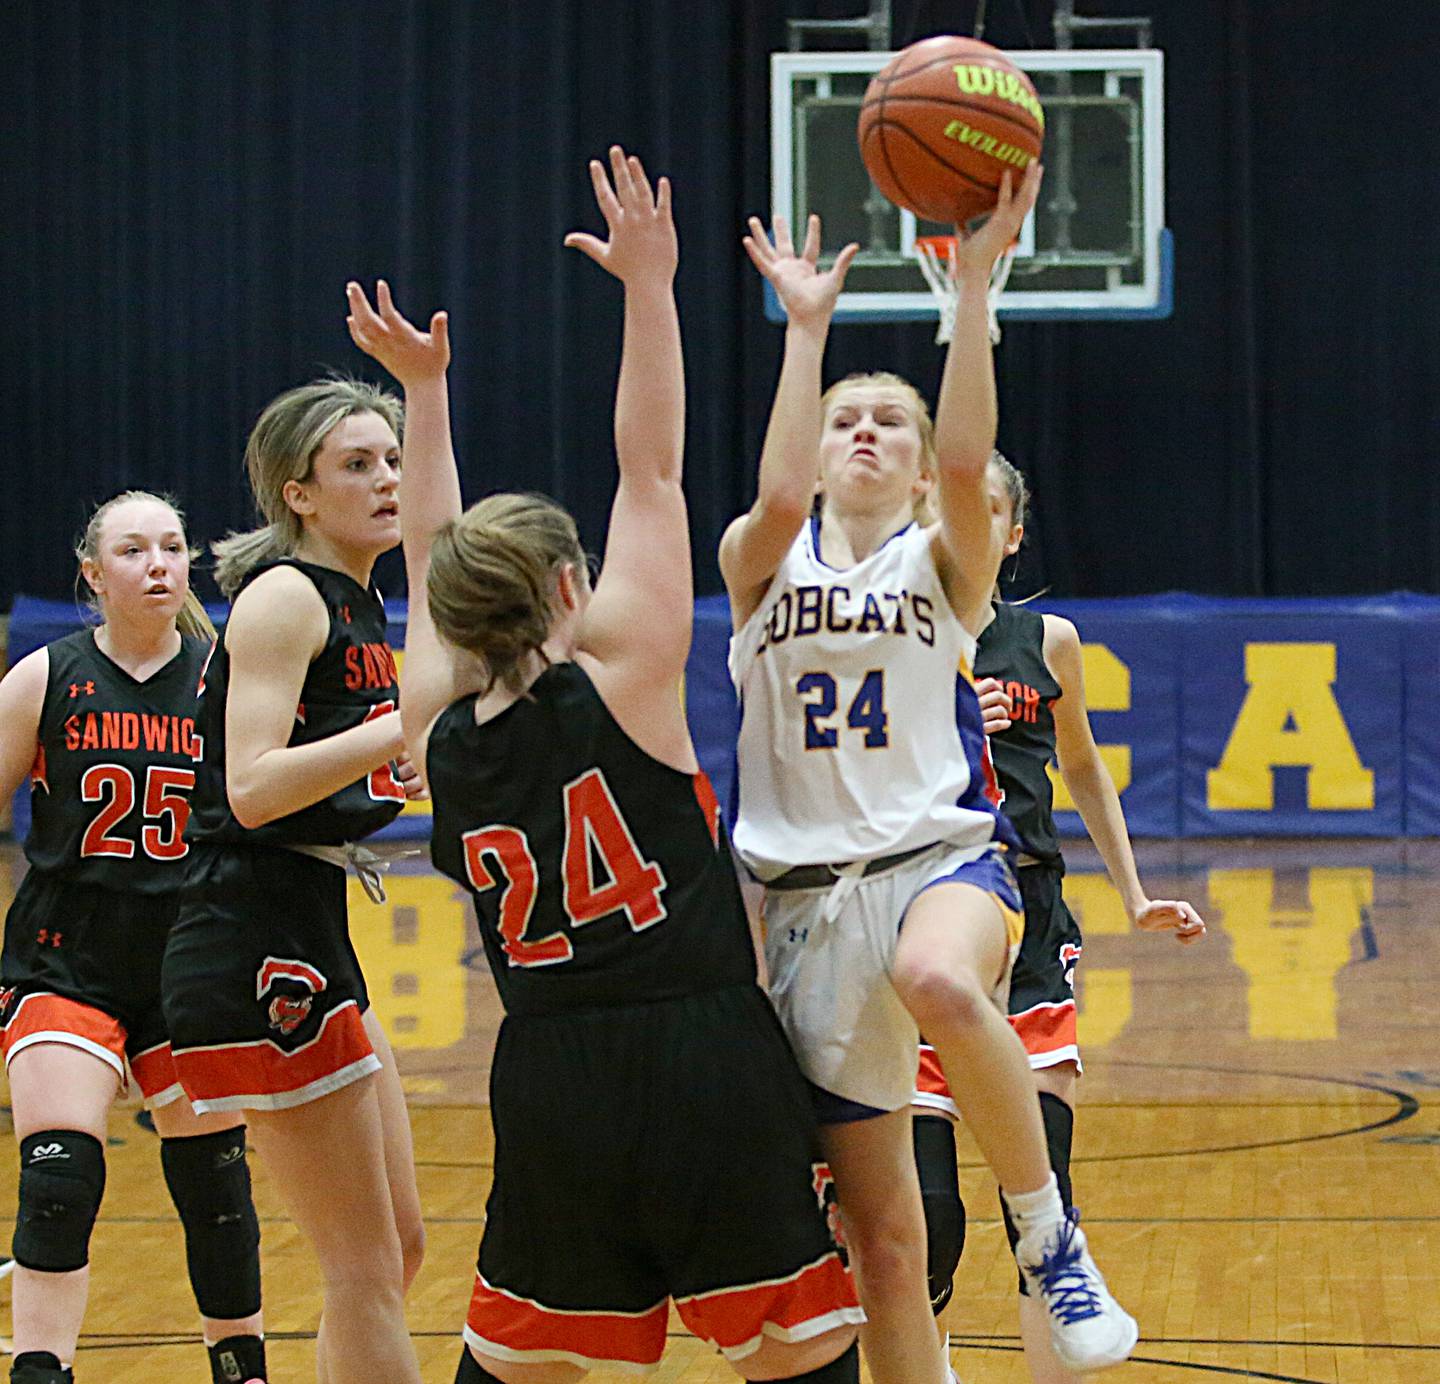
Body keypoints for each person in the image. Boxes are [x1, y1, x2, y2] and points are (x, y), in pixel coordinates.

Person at [351, 146, 864, 1384]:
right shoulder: (629, 669)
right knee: (797, 1349)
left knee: (525, 1358)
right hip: (704, 1054)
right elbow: (654, 466)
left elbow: (426, 547)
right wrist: (651, 285)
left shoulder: (431, 721)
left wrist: (427, 394)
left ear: (454, 617)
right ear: (573, 586)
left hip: (550, 1069)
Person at [723, 165, 1137, 1383]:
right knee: (886, 1246)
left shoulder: (943, 568)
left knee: (941, 981)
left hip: (942, 861)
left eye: (888, 422)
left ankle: (1050, 1232)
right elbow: (774, 487)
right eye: (845, 415)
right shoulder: (762, 563)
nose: (864, 431)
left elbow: (971, 462)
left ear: (914, 471)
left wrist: (969, 290)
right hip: (800, 900)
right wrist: (807, 335)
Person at [911, 452, 1205, 1384]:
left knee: (1039, 1197)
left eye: (980, 507)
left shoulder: (1051, 642)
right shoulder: (884, 640)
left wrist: (1133, 893)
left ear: (1012, 531)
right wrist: (943, 713)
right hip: (917, 916)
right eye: (941, 506)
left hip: (1028, 922)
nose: (960, 522)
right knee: (925, 1221)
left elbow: (1081, 767)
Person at [159, 379, 427, 1384]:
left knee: (396, 1252)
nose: (387, 478)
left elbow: (333, 764)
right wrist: (392, 732)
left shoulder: (358, 604)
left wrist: (392, 765)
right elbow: (253, 787)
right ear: (298, 493)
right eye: (357, 464)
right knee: (363, 1268)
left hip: (308, 921)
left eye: (391, 458)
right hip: (250, 931)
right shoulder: (284, 594)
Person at [0, 492, 267, 1384]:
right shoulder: (45, 677)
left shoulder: (227, 679)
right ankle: (40, 1372)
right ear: (93, 574)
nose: (157, 564)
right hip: (65, 951)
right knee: (58, 1178)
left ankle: (241, 1365)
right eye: (132, 550)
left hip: (192, 957)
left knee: (216, 1191)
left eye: (172, 547)